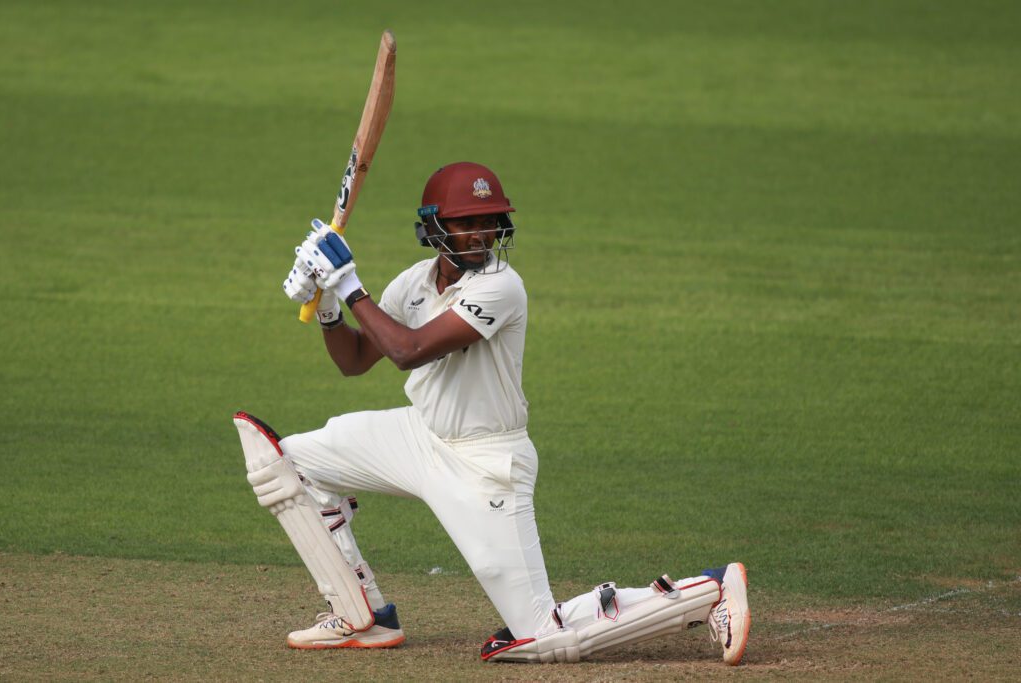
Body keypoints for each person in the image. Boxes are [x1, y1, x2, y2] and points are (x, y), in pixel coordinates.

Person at [233, 161, 751, 664]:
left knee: (540, 635)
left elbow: (408, 351)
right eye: (467, 223)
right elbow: (354, 361)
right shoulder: (413, 283)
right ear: (433, 227)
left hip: (487, 463)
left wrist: (349, 285)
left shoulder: (501, 286)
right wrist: (326, 305)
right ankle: (360, 613)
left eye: (490, 221)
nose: (482, 234)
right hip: (419, 437)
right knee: (285, 465)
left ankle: (708, 589)